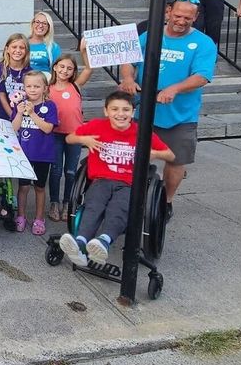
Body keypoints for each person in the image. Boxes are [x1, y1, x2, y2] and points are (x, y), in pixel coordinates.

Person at [119, 0, 217, 216]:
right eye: (178, 16)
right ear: (168, 12)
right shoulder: (151, 35)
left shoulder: (203, 43)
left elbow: (202, 76)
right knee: (134, 157)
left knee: (176, 160)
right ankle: (130, 196)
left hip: (180, 115)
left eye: (187, 18)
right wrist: (127, 77)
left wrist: (174, 89)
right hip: (145, 110)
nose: (181, 21)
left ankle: (167, 201)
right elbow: (129, 58)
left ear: (196, 18)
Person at [60, 91, 175, 267]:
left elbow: (171, 155)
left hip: (129, 183)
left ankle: (104, 241)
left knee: (118, 207)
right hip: (101, 179)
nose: (120, 114)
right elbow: (69, 138)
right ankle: (81, 243)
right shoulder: (97, 125)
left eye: (125, 110)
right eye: (114, 109)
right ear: (106, 111)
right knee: (94, 204)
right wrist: (85, 139)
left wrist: (153, 153)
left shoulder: (142, 132)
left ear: (133, 112)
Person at [47, 52, 93, 223]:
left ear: (73, 72)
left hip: (74, 135)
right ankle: (54, 203)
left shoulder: (75, 86)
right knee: (56, 171)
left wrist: (83, 51)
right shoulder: (47, 88)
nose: (65, 71)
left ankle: (68, 202)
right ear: (55, 67)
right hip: (55, 135)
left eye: (69, 68)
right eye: (62, 66)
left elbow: (89, 68)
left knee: (71, 172)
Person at [13, 70, 57, 235]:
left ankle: (39, 218)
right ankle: (21, 216)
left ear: (44, 88)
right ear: (24, 88)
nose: (32, 89)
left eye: (37, 86)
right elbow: (13, 129)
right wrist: (19, 112)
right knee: (23, 187)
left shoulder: (50, 106)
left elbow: (47, 129)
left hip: (42, 155)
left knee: (39, 187)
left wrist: (32, 113)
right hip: (24, 154)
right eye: (29, 86)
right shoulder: (20, 106)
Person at [0, 33, 31, 120]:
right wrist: (13, 116)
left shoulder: (30, 71)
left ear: (26, 51)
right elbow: (2, 96)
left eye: (22, 48)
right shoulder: (0, 69)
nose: (18, 50)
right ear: (7, 49)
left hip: (24, 117)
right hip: (3, 116)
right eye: (14, 47)